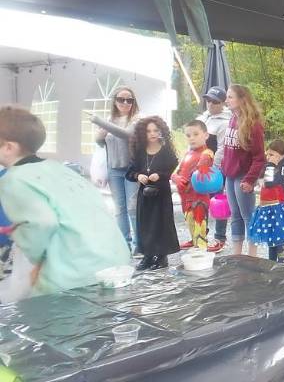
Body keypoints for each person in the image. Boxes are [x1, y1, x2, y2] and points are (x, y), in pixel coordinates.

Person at [0, 105, 130, 297]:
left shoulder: (14, 179)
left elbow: (42, 223)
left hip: (75, 272)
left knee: (40, 315)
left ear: (9, 147)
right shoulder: (59, 169)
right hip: (115, 261)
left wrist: (35, 261)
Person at [90, 87, 141, 254]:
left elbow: (126, 135)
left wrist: (101, 123)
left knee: (132, 208)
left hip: (132, 169)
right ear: (115, 101)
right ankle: (124, 245)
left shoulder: (136, 119)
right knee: (119, 209)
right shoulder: (109, 119)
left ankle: (139, 244)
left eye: (129, 100)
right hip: (114, 169)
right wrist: (99, 137)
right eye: (121, 99)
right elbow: (102, 143)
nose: (125, 103)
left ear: (134, 102)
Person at [126, 116, 180, 270]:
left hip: (162, 194)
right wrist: (138, 176)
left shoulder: (166, 151)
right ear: (143, 133)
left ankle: (162, 257)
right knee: (145, 225)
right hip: (145, 196)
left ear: (161, 131)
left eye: (156, 130)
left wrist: (161, 175)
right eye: (149, 131)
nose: (152, 133)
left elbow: (175, 171)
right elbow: (129, 173)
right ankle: (148, 256)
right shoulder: (139, 152)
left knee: (162, 223)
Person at [221, 84, 266, 256]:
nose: (227, 100)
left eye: (230, 97)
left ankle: (252, 255)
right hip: (230, 176)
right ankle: (237, 254)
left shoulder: (253, 125)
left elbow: (259, 157)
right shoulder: (232, 119)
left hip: (243, 176)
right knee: (235, 216)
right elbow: (227, 149)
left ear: (242, 100)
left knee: (248, 216)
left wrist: (250, 179)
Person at [247, 139, 284, 263]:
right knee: (271, 239)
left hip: (278, 209)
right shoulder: (268, 168)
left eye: (272, 155)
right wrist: (269, 166)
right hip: (266, 208)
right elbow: (262, 181)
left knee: (280, 239)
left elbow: (270, 182)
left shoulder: (281, 171)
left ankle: (282, 264)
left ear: (282, 157)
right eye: (267, 155)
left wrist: (271, 166)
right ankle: (272, 263)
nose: (268, 157)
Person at [197, 86, 232, 252]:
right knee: (199, 202)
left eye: (215, 101)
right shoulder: (202, 118)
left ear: (222, 103)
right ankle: (200, 235)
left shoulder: (225, 122)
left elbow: (222, 149)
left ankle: (220, 238)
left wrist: (214, 169)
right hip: (198, 168)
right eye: (208, 100)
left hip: (215, 169)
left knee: (218, 201)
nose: (210, 104)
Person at [172, 120, 215, 251]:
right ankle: (194, 241)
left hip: (199, 199)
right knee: (190, 224)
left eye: (196, 134)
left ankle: (201, 252)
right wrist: (176, 178)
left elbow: (204, 163)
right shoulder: (187, 154)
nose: (192, 138)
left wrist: (203, 165)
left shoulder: (207, 152)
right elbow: (174, 173)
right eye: (188, 135)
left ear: (206, 135)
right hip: (185, 198)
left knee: (199, 225)